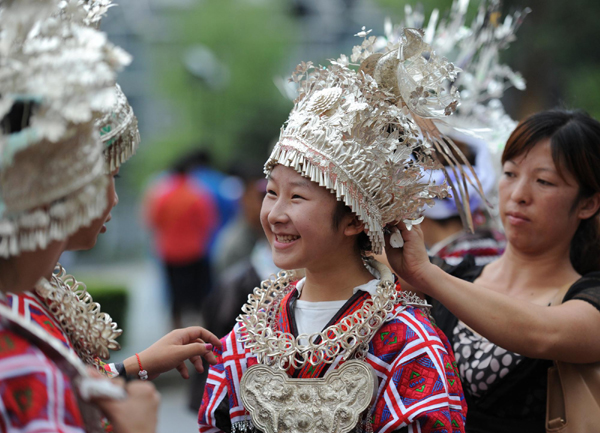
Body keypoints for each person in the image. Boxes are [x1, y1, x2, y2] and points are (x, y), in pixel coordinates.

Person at [198, 28, 478, 433]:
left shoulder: (407, 342)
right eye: (271, 192)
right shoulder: (250, 332)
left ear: (353, 219)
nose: (275, 213)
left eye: (297, 198)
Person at [386, 109, 600, 433]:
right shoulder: (456, 276)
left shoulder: (587, 298)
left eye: (543, 181)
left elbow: (543, 334)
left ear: (588, 203)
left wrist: (426, 274)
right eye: (511, 173)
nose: (518, 195)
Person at [144, 153, 218, 329]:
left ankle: (174, 339)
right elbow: (208, 222)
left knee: (175, 298)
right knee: (199, 298)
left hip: (170, 253)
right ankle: (201, 335)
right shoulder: (197, 194)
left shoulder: (161, 196)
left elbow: (152, 221)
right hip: (195, 252)